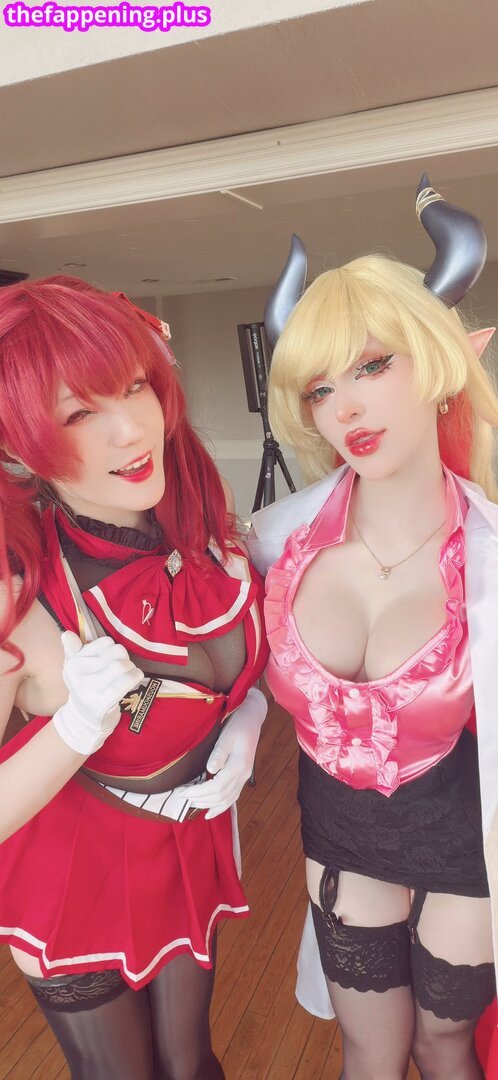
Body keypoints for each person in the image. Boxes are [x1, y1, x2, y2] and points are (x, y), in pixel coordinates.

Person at [247, 179, 498, 1080]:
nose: (344, 407)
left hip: (466, 837)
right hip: (341, 832)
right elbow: (232, 665)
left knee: (444, 1044)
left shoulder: (492, 551)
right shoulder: (275, 540)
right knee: (370, 1049)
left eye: (372, 366)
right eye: (321, 387)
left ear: (438, 360)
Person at [0, 276, 268, 1080]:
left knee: (191, 1065)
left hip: (180, 850)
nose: (130, 429)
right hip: (72, 878)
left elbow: (223, 668)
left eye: (133, 387)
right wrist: (76, 727)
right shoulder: (16, 584)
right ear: (19, 442)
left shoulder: (201, 524)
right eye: (78, 414)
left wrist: (248, 716)